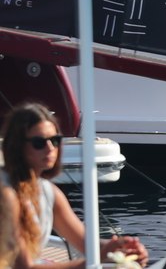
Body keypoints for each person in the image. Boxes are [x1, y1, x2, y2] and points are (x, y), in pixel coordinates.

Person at [2, 103, 148, 268]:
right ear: (17, 146)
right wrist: (91, 262)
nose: (50, 148)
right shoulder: (5, 193)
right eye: (39, 142)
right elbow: (23, 267)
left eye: (55, 140)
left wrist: (123, 248)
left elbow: (86, 243)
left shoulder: (49, 193)